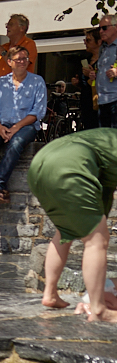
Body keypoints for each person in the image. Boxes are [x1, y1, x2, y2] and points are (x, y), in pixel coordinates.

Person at [28, 129, 117, 321]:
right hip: (69, 165)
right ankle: (99, 309)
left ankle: (50, 294)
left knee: (65, 230)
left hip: (40, 162)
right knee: (96, 240)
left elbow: (104, 193)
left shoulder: (108, 139)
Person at [0, 46, 46, 205]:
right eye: (19, 59)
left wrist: (16, 128)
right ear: (9, 62)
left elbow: (38, 112)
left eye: (25, 58)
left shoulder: (37, 81)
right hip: (1, 125)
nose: (23, 62)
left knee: (15, 144)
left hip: (26, 126)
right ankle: (2, 190)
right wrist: (0, 128)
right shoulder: (0, 83)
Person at [0, 14, 38, 120]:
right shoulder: (5, 46)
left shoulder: (29, 44)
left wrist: (2, 52)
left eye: (11, 24)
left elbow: (20, 66)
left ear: (22, 28)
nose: (7, 27)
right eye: (7, 24)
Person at [97, 15, 117, 129]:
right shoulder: (103, 48)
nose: (101, 31)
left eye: (104, 28)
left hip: (115, 99)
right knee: (105, 139)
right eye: (99, 28)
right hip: (103, 100)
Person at [80, 27, 102, 130]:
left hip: (99, 103)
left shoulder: (104, 60)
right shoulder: (87, 59)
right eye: (85, 40)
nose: (85, 43)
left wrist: (92, 75)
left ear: (99, 42)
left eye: (88, 40)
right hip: (86, 103)